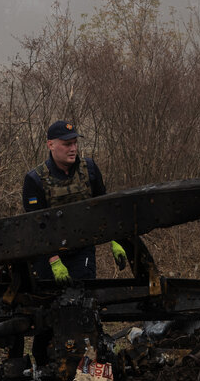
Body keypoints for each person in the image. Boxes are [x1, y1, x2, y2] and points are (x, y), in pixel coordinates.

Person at [22, 120, 127, 283]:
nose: (73, 149)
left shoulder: (89, 169)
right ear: (51, 145)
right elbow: (37, 225)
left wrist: (116, 239)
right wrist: (54, 260)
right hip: (49, 254)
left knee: (84, 297)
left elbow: (105, 207)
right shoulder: (35, 179)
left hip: (82, 249)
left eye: (75, 143)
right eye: (67, 144)